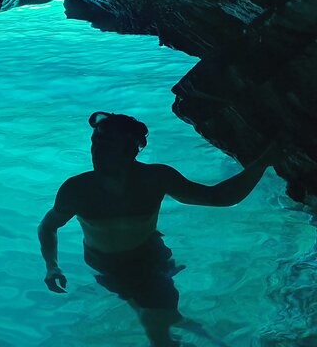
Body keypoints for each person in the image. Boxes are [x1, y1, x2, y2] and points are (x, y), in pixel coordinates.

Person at [37, 111, 280, 347]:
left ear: (130, 150)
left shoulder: (155, 179)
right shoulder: (77, 190)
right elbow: (48, 226)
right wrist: (52, 266)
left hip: (150, 255)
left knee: (157, 318)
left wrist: (264, 161)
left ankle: (177, 327)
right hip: (107, 265)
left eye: (107, 143)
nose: (96, 150)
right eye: (95, 141)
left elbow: (219, 197)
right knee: (154, 313)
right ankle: (183, 327)